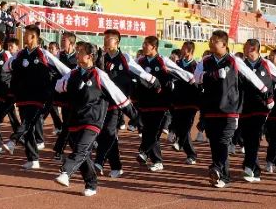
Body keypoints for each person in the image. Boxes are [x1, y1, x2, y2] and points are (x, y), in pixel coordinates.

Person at [53, 42, 133, 196]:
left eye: (81, 52)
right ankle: (91, 183)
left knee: (81, 149)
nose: (77, 54)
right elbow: (58, 86)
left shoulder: (99, 75)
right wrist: (72, 84)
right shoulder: (73, 73)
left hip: (93, 120)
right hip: (75, 119)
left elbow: (118, 95)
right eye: (77, 51)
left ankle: (66, 172)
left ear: (90, 56)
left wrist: (134, 116)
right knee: (83, 154)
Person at [194, 30, 267, 188]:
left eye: (215, 41)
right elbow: (196, 78)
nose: (211, 42)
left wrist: (265, 91)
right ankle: (223, 176)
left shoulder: (234, 60)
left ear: (224, 44)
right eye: (211, 40)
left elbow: (250, 75)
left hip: (230, 110)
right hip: (211, 109)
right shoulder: (205, 61)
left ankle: (217, 168)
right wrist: (213, 74)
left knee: (223, 141)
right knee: (215, 143)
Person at [4, 25, 71, 169]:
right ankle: (33, 159)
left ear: (34, 37)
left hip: (39, 97)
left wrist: (65, 84)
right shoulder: (20, 54)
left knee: (27, 122)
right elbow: (6, 67)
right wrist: (15, 64)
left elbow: (65, 70)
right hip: (22, 96)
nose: (24, 37)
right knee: (28, 127)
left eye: (26, 34)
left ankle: (13, 140)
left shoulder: (43, 54)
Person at [93, 28, 154, 178]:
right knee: (106, 133)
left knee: (109, 131)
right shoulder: (101, 57)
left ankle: (99, 162)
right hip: (102, 101)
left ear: (117, 42)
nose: (106, 41)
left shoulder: (124, 57)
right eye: (105, 38)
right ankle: (116, 166)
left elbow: (139, 71)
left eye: (109, 38)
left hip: (118, 101)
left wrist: (153, 80)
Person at [133, 36, 194, 172]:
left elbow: (179, 72)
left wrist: (191, 80)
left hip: (160, 102)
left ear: (154, 47)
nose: (143, 46)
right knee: (147, 130)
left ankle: (151, 157)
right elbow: (132, 70)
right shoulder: (140, 61)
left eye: (146, 44)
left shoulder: (163, 60)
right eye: (143, 44)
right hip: (144, 102)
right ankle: (148, 155)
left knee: (154, 130)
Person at [238, 39, 276, 182]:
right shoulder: (241, 65)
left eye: (246, 47)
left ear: (254, 49)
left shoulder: (266, 64)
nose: (244, 49)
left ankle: (249, 167)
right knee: (247, 138)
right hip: (244, 107)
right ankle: (255, 170)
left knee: (254, 135)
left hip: (261, 107)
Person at [50, 33, 79, 161]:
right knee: (68, 123)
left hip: (75, 95)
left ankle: (67, 149)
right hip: (62, 95)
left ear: (71, 43)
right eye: (61, 40)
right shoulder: (58, 56)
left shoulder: (78, 57)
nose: (61, 42)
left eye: (64, 40)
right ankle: (63, 150)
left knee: (71, 123)